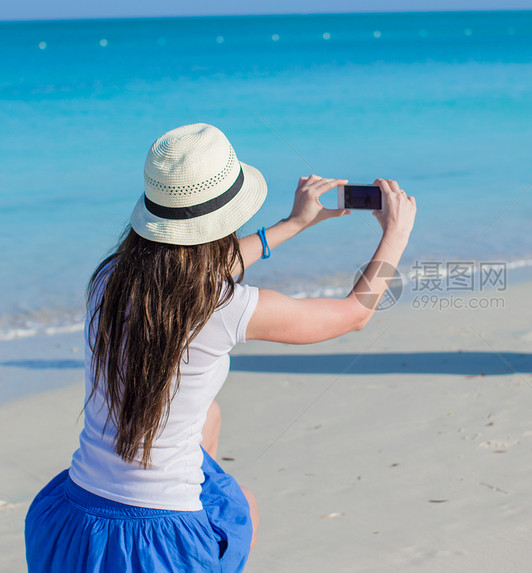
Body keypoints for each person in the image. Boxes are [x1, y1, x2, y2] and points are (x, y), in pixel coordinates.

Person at [24, 123, 417, 572]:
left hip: (68, 520)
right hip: (160, 541)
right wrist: (396, 234)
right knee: (241, 503)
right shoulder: (226, 308)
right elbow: (355, 315)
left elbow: (188, 272)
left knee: (208, 416)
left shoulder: (110, 277)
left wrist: (291, 226)